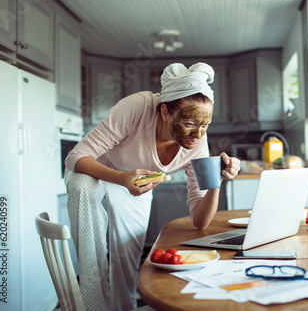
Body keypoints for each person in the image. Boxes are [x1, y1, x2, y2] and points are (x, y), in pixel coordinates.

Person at [64, 62, 240, 311]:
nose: (198, 134)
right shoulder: (137, 107)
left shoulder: (198, 143)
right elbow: (74, 157)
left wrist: (216, 182)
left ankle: (123, 307)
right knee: (82, 186)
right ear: (165, 112)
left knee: (126, 258)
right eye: (189, 123)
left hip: (137, 186)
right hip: (97, 169)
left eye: (205, 125)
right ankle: (93, 305)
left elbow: (200, 222)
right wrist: (121, 178)